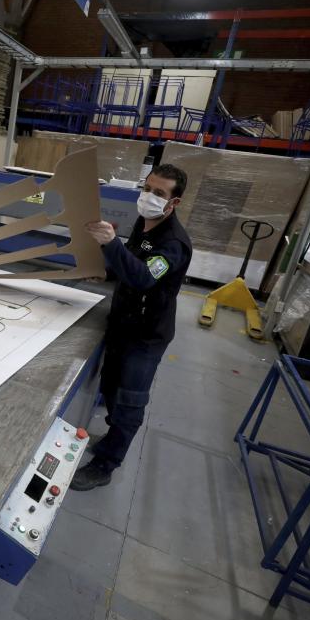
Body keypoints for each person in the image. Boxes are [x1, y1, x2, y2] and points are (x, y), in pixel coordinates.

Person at [71, 163, 192, 491]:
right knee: (110, 385)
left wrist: (111, 244)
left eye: (159, 193)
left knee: (129, 401)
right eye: (147, 188)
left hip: (146, 335)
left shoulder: (174, 244)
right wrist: (106, 272)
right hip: (123, 323)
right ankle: (112, 437)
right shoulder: (145, 223)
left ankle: (106, 464)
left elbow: (143, 276)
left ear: (174, 202)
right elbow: (133, 262)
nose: (149, 197)